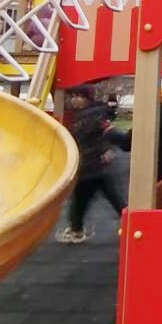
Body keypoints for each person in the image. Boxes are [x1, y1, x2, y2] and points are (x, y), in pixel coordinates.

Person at [57, 87, 124, 244]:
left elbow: (102, 133)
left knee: (81, 199)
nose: (74, 100)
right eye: (73, 96)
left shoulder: (91, 115)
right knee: (111, 196)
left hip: (91, 163)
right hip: (94, 164)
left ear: (86, 98)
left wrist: (106, 149)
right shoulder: (85, 114)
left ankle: (76, 230)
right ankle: (76, 228)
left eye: (78, 96)